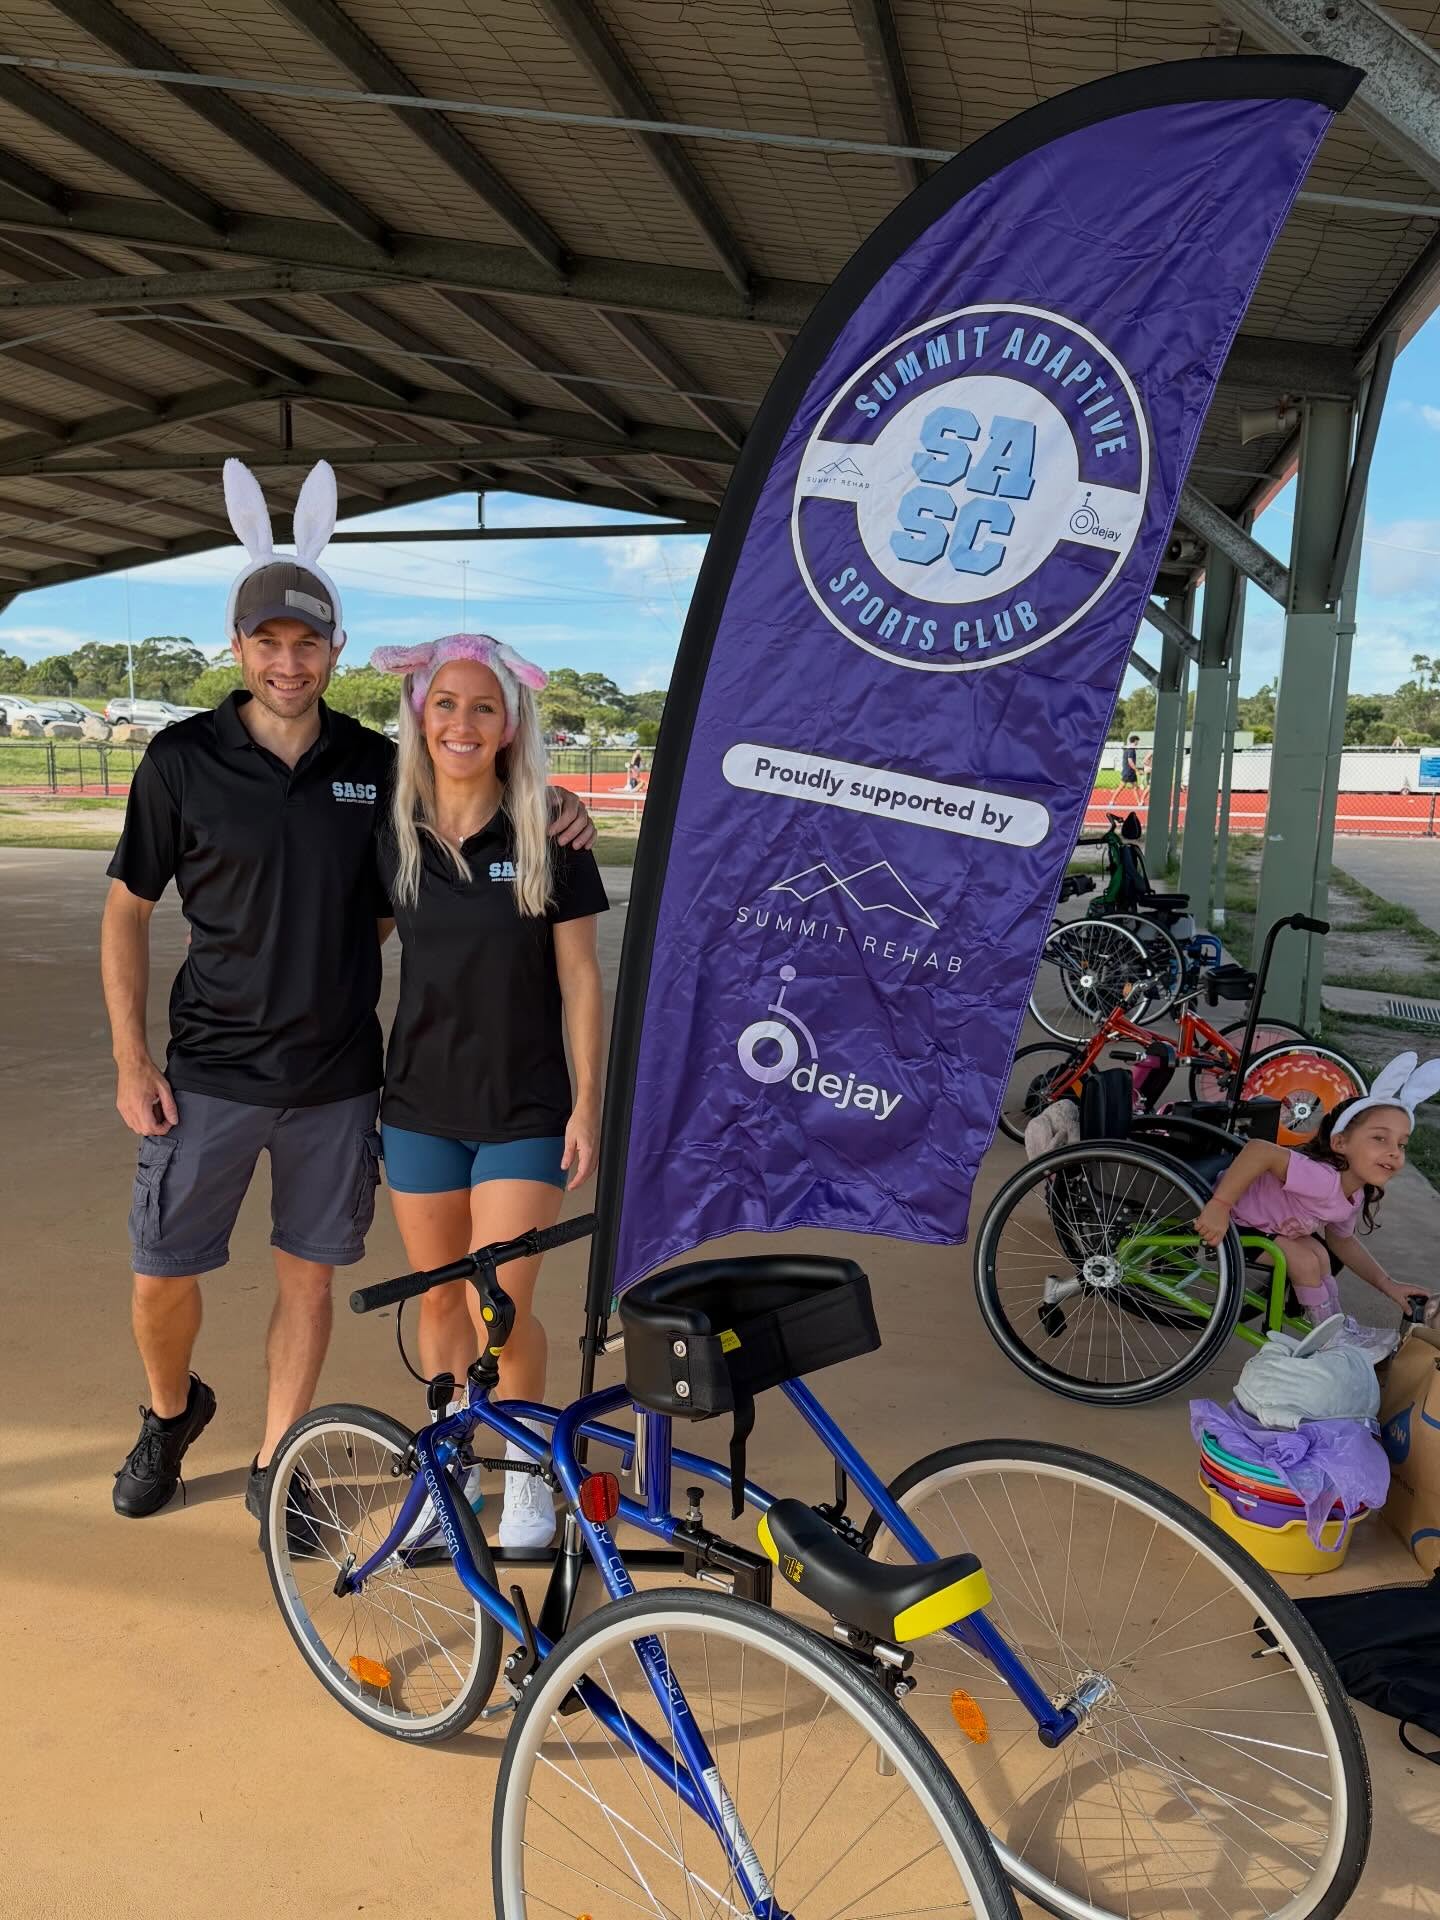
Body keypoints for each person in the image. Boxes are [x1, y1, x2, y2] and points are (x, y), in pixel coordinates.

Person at [102, 458, 594, 1538]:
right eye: (268, 642)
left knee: (325, 1286)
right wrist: (134, 1062)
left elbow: (431, 861)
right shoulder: (180, 762)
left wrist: (555, 806)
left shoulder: (377, 766)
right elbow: (129, 909)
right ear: (239, 648)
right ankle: (169, 1412)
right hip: (206, 1074)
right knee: (160, 1276)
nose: (289, 660)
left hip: (338, 1082)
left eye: (308, 641)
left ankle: (279, 1466)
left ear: (332, 649)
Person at [371, 633, 607, 1548]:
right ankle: (452, 1466)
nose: (462, 722)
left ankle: (525, 1473)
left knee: (496, 1308)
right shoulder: (390, 834)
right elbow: (356, 947)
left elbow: (583, 979)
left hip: (524, 1111)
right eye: (445, 705)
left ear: (510, 724)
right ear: (419, 717)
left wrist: (587, 1101)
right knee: (438, 1302)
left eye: (482, 707)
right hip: (419, 1109)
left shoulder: (550, 832)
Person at [1194, 1051, 1440, 1325]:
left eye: (1401, 1144)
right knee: (1305, 1261)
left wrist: (1388, 1284)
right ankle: (1327, 1334)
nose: (1394, 1152)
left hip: (1268, 1226)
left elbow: (1341, 1241)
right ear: (1340, 1143)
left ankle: (1334, 1325)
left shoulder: (1352, 1194)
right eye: (1380, 1138)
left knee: (1322, 1255)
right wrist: (1220, 1206)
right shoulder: (1321, 1179)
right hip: (1234, 1218)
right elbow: (1259, 1150)